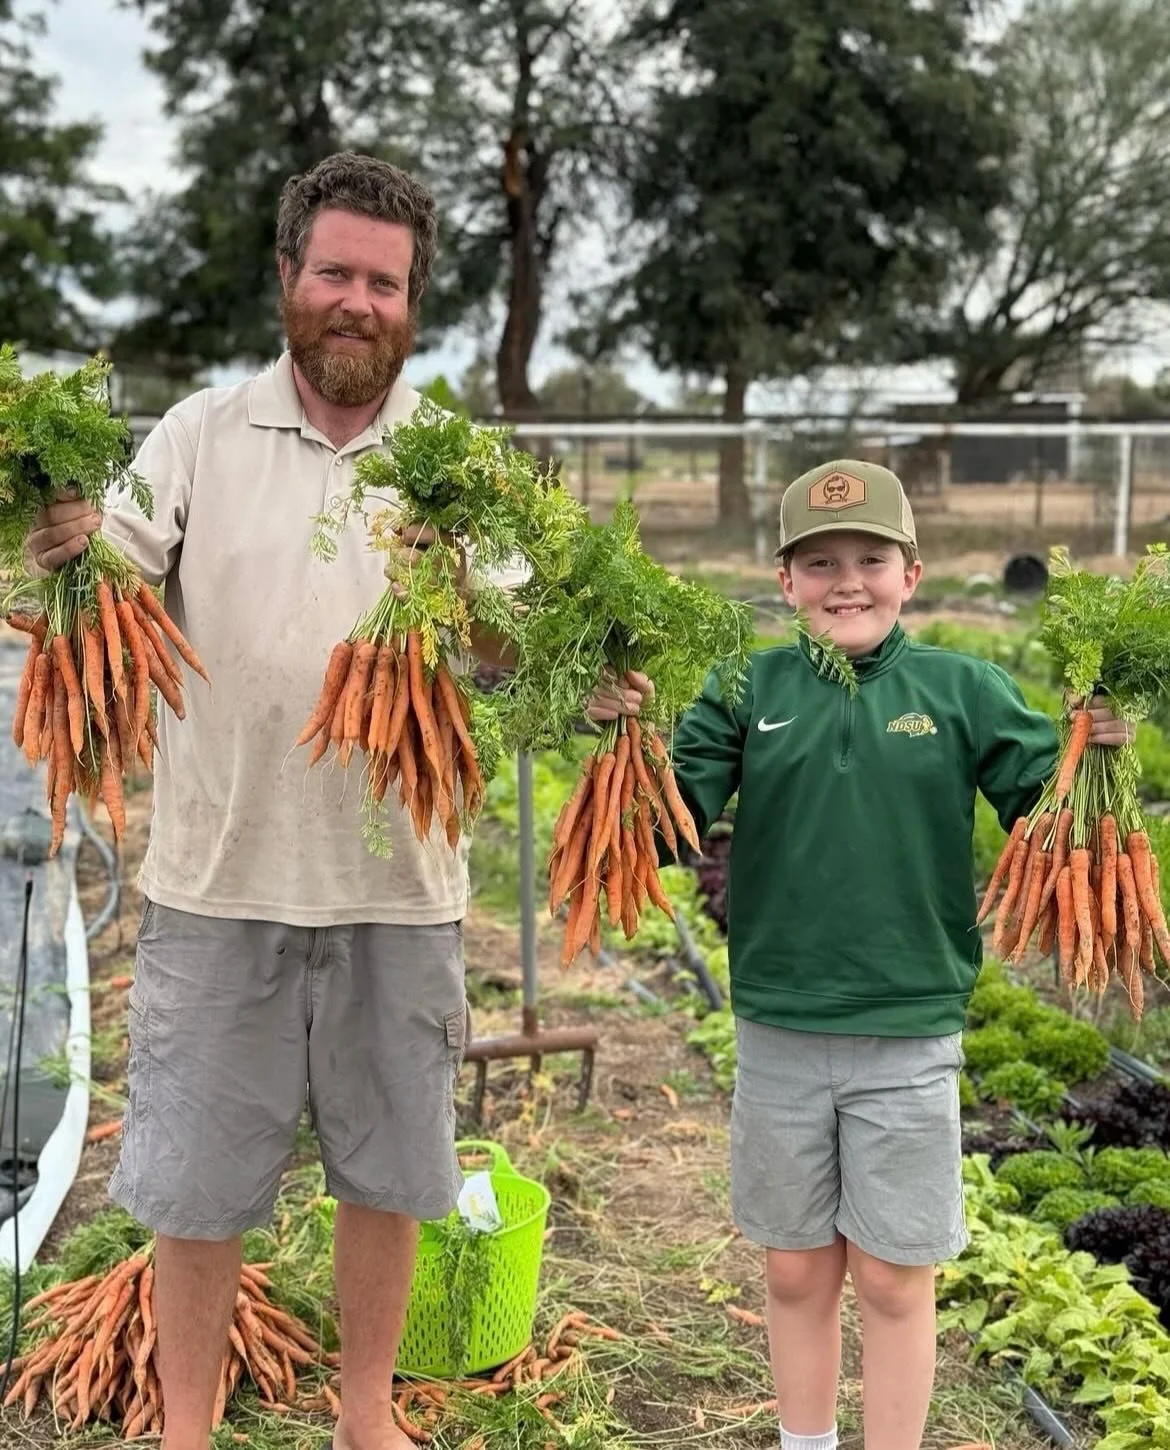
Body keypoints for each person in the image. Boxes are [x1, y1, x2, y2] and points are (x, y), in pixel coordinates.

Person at [26, 152, 628, 1450]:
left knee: (391, 1170)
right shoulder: (198, 433)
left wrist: (479, 603)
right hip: (214, 883)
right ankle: (187, 1428)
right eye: (337, 272)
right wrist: (61, 545)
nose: (359, 300)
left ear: (414, 302)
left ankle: (365, 1416)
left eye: (386, 281)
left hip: (398, 889)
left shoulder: (454, 463)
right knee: (192, 1188)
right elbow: (93, 593)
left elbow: (522, 656)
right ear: (290, 278)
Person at [607, 460, 1133, 1450]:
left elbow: (1051, 820)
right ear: (785, 582)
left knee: (895, 1275)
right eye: (821, 563)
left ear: (912, 573)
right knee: (796, 1267)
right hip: (780, 1025)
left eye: (869, 559)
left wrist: (1100, 746)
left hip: (909, 1030)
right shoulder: (744, 685)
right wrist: (619, 739)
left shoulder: (964, 687)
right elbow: (669, 830)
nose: (847, 580)